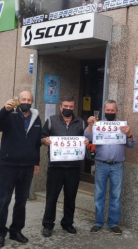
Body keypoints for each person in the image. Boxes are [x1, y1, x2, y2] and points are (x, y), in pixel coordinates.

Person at [0, 91, 42, 248]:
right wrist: (4, 109)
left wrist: (36, 162)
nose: (26, 101)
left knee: (21, 201)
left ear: (32, 102)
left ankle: (16, 231)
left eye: (29, 100)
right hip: (8, 165)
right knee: (4, 200)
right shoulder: (9, 115)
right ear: (18, 101)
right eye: (23, 99)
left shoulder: (36, 119)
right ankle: (0, 233)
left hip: (27, 167)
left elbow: (36, 143)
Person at [84, 100, 135, 235]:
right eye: (108, 110)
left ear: (116, 111)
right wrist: (90, 125)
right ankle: (98, 222)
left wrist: (129, 133)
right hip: (101, 164)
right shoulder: (97, 124)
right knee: (99, 195)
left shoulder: (123, 125)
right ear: (104, 110)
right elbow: (87, 137)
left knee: (116, 195)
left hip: (117, 166)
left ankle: (113, 223)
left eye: (113, 110)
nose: (110, 112)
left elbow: (131, 145)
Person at [41, 96, 88, 237]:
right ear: (60, 107)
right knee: (51, 197)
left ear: (73, 107)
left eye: (71, 107)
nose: (68, 109)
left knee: (71, 197)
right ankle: (48, 225)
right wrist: (45, 140)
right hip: (55, 167)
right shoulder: (51, 121)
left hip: (73, 168)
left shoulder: (81, 122)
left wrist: (86, 140)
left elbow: (88, 137)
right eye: (65, 106)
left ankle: (67, 223)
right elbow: (42, 137)